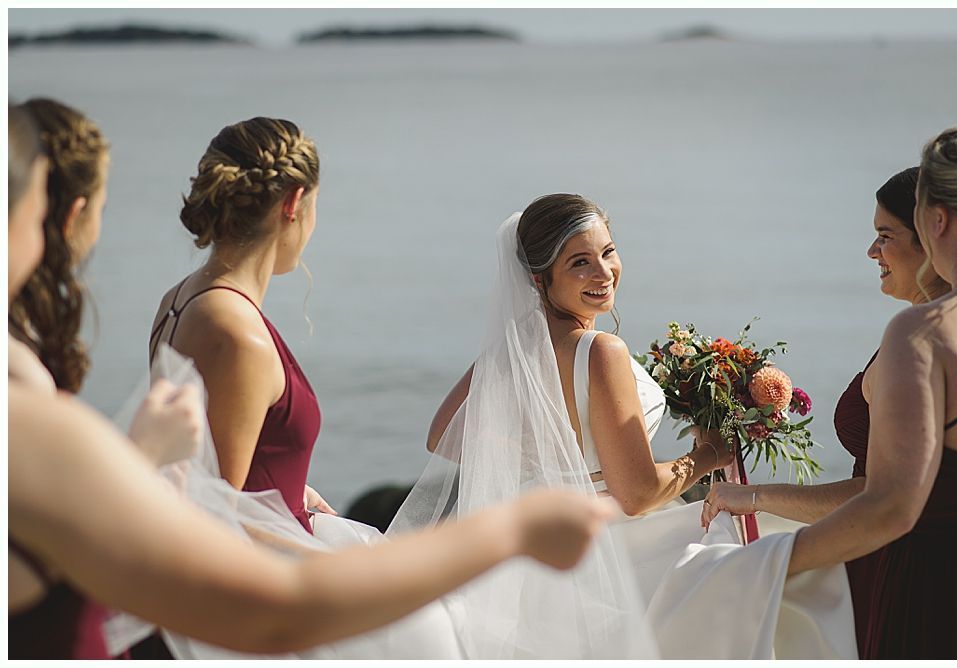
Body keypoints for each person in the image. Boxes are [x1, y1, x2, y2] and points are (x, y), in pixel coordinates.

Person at [8, 102, 616, 660]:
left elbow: (220, 468)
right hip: (251, 581)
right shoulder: (233, 329)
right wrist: (334, 566)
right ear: (294, 204)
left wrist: (299, 498)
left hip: (277, 533)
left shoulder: (183, 297)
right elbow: (214, 507)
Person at [389, 194, 858, 659]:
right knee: (802, 580)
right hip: (610, 553)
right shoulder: (599, 350)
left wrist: (548, 456)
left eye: (607, 252)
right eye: (579, 263)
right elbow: (636, 494)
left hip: (540, 550)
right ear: (539, 278)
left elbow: (442, 435)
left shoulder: (509, 352)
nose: (603, 273)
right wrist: (711, 453)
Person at [702, 165, 951, 650]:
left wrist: (758, 511)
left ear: (931, 236)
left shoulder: (918, 339)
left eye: (885, 236)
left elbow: (876, 492)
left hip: (893, 565)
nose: (871, 251)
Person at [778, 122, 957, 659]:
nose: (872, 248)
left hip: (929, 590)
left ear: (936, 219)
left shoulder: (927, 332)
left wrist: (766, 565)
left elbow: (890, 508)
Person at [148, 116, 334, 532]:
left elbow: (200, 464)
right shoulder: (239, 336)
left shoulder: (178, 300)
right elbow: (216, 521)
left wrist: (292, 488)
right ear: (294, 203)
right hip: (264, 581)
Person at [9, 97, 200, 469]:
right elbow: (50, 518)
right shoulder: (19, 374)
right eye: (102, 209)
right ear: (74, 215)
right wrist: (150, 453)